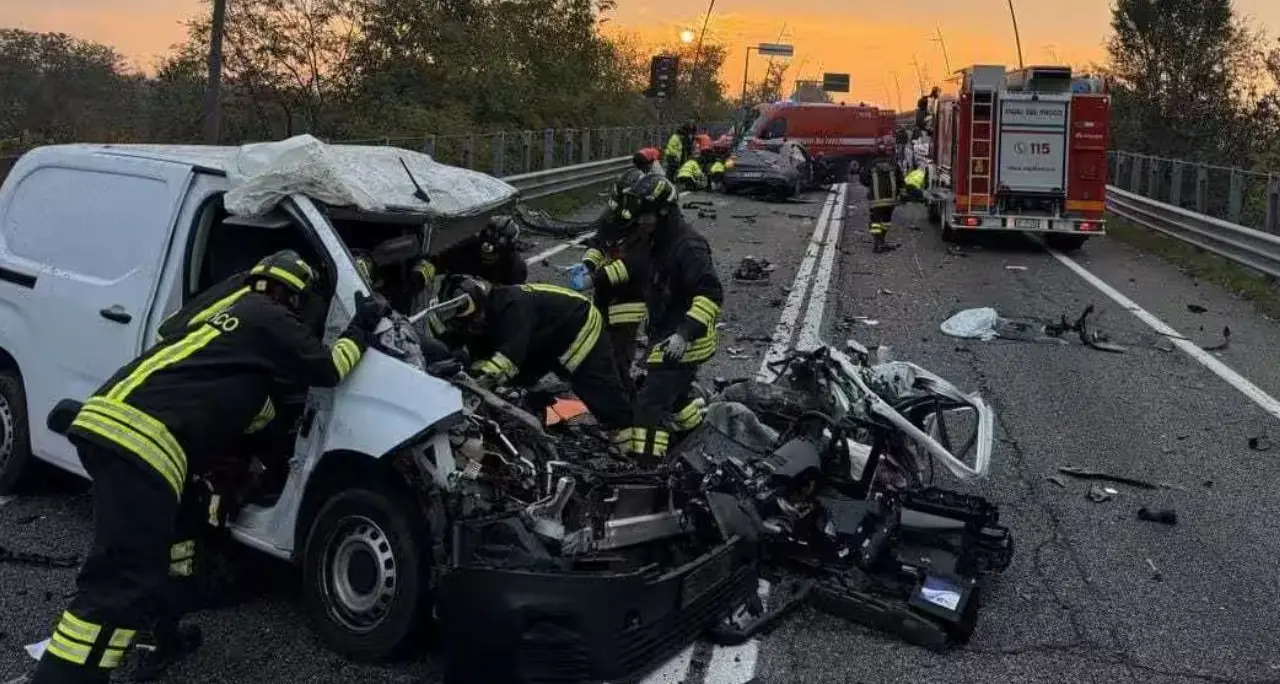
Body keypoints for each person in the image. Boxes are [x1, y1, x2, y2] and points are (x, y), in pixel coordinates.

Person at [29, 251, 387, 684]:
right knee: (120, 582)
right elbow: (329, 369)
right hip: (143, 445)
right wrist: (361, 325)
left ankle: (160, 637)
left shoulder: (221, 322)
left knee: (173, 545)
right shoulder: (268, 314)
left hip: (113, 421)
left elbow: (175, 336)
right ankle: (65, 675)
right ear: (293, 297)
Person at [435, 275, 633, 441]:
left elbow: (509, 357)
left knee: (594, 386)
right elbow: (476, 355)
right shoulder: (482, 317)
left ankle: (629, 438)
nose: (472, 326)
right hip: (544, 336)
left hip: (577, 324)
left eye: (473, 320)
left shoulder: (511, 307)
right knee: (521, 382)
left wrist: (475, 384)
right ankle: (536, 406)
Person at [611, 174, 723, 463]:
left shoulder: (689, 247)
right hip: (665, 333)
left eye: (645, 216)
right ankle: (696, 436)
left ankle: (647, 466)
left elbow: (710, 294)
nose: (640, 222)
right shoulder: (658, 240)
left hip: (684, 341)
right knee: (675, 396)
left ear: (663, 212)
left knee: (648, 406)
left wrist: (684, 334)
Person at [571, 169, 650, 394]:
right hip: (605, 295)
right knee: (598, 345)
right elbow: (599, 244)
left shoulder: (646, 227)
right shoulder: (613, 218)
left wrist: (595, 279)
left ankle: (623, 397)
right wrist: (587, 264)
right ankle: (602, 387)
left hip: (629, 300)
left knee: (620, 352)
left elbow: (634, 265)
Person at [859, 155, 904, 253]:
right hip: (890, 200)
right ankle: (881, 240)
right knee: (886, 222)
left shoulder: (871, 164)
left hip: (876, 200)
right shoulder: (894, 164)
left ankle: (878, 242)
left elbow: (864, 179)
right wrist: (902, 194)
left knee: (875, 222)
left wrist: (871, 185)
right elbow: (900, 180)